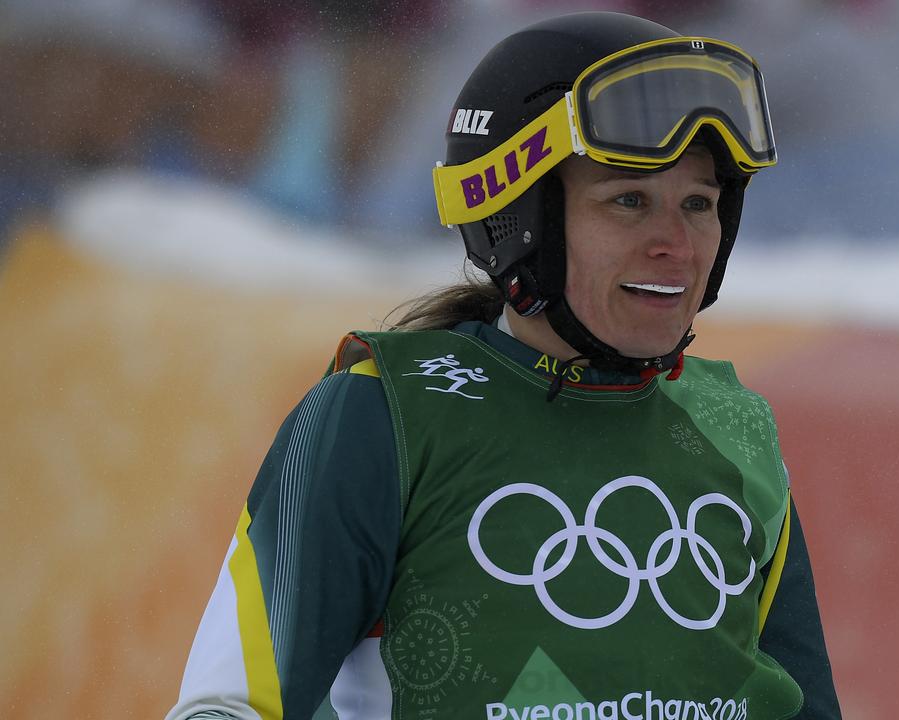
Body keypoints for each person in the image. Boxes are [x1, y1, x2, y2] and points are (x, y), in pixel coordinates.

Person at [167, 11, 842, 720]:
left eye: (700, 204)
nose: (676, 242)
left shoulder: (731, 425)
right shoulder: (383, 415)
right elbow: (232, 704)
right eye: (629, 201)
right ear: (517, 220)